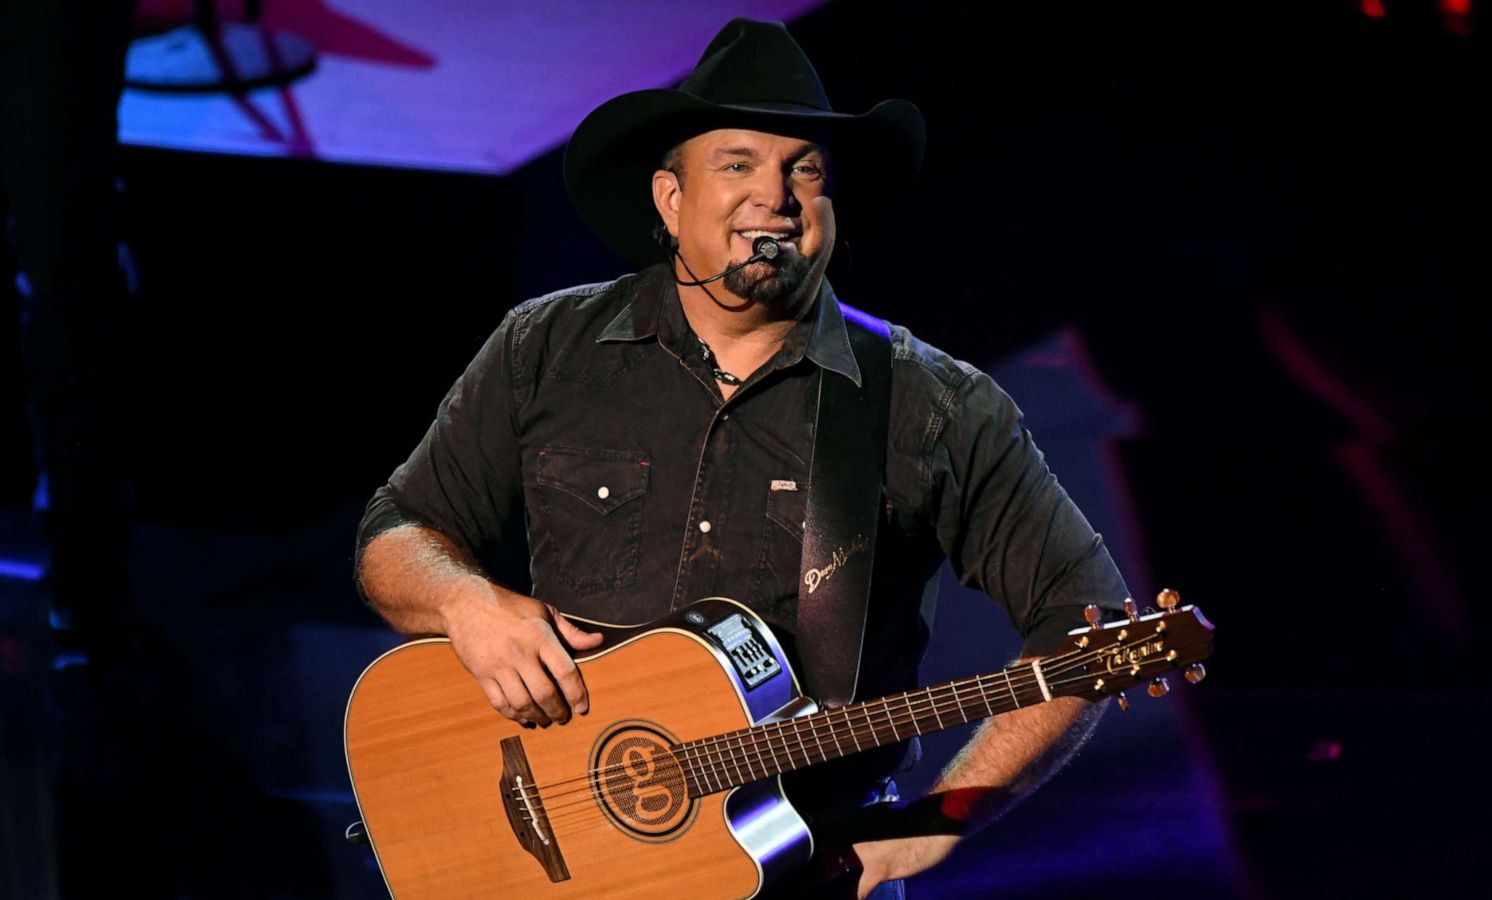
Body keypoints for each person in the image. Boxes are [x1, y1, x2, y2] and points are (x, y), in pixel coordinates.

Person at [355, 17, 1129, 898]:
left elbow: (1088, 628)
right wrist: (464, 601)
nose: (777, 195)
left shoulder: (934, 403)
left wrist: (935, 827)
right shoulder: (546, 346)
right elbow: (397, 531)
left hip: (809, 872)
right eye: (737, 163)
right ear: (670, 200)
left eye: (805, 169)